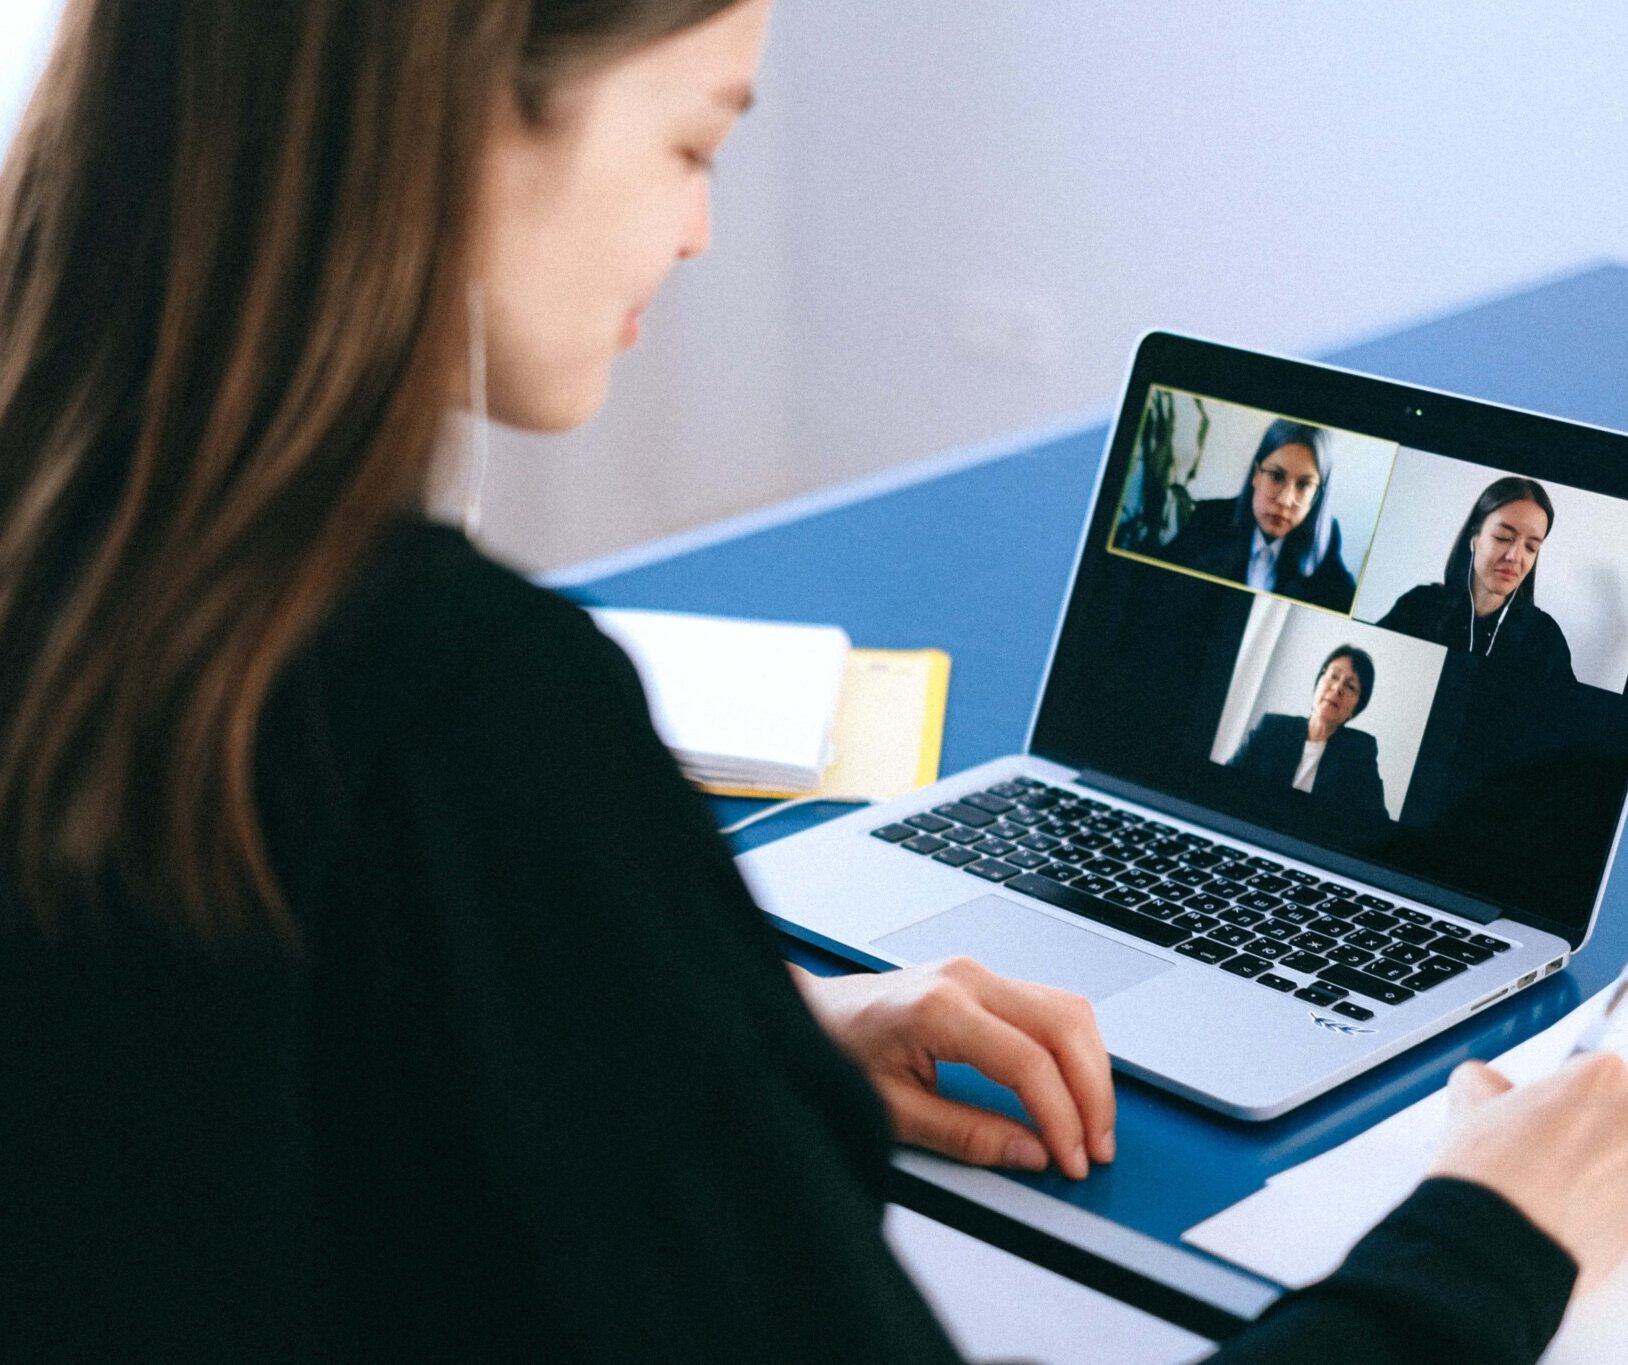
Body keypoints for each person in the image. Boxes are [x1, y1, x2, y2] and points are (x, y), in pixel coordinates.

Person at [1, 2, 1626, 1360]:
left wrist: (734, 1038)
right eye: (693, 140)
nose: (702, 225)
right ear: (453, 108)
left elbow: (245, 1074)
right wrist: (1491, 1230)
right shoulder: (464, 711)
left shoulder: (89, 574)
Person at [1377, 476, 1576, 681]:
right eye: (1503, 537)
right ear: (1474, 537)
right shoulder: (1419, 606)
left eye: (1531, 547)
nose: (1515, 557)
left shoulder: (1544, 637)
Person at [1160, 420, 1358, 612]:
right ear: (1256, 474)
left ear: (1317, 496)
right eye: (1276, 476)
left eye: (1304, 485)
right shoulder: (1210, 519)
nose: (1285, 500)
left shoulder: (1325, 541)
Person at [1229, 646, 1388, 824]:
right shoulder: (1272, 728)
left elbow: (1375, 822)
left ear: (1355, 709)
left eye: (1350, 686)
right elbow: (1226, 782)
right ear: (1318, 683)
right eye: (1333, 676)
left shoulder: (1359, 751)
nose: (1337, 688)